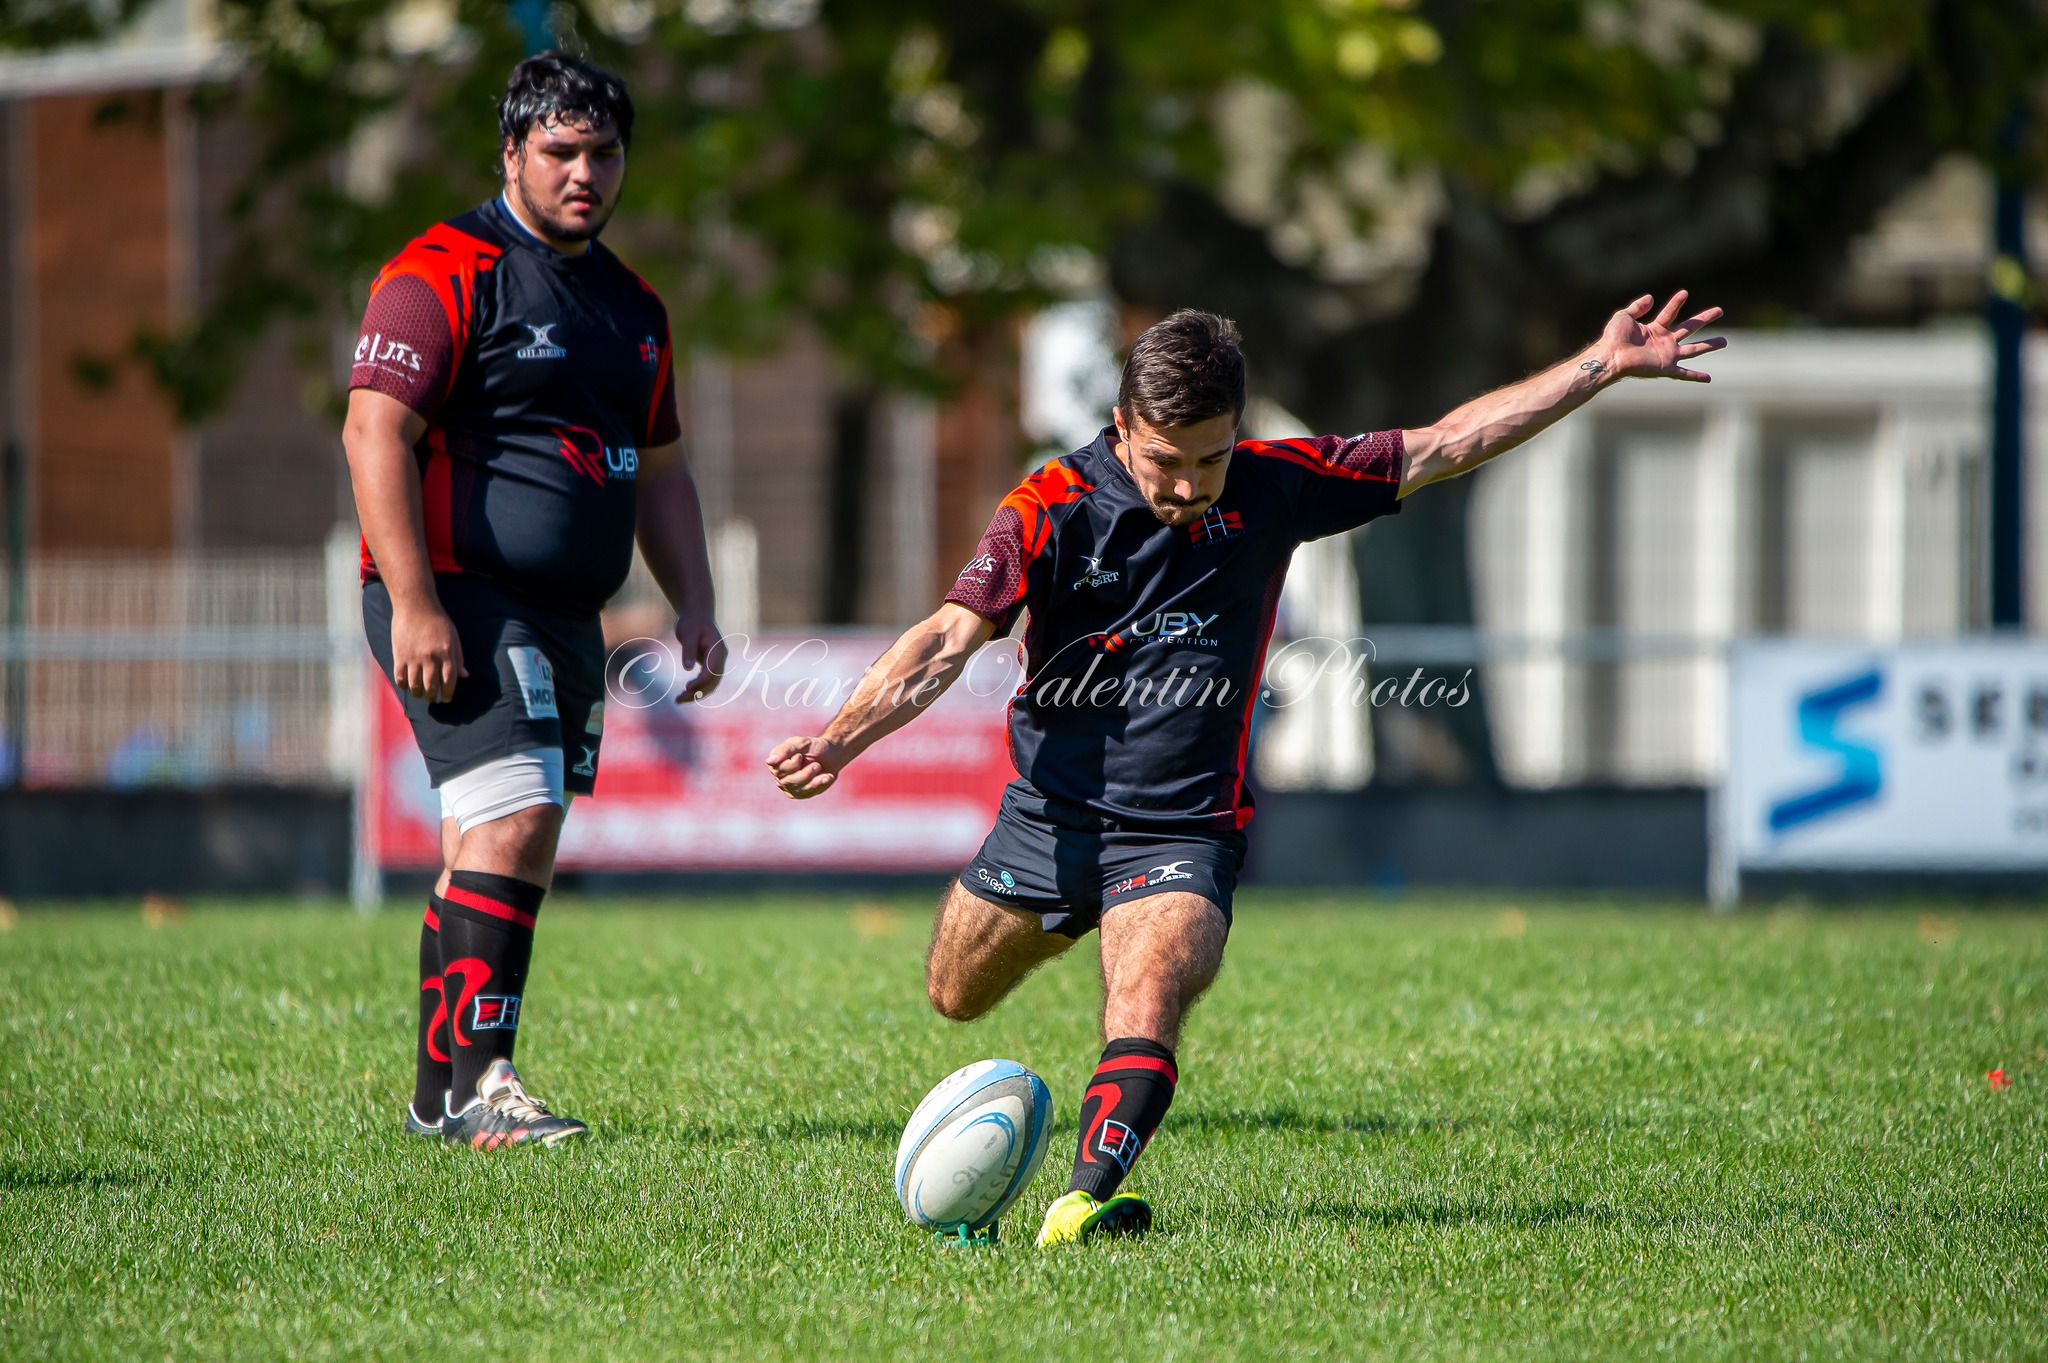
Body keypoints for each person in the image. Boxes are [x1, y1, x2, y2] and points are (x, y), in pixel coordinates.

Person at [767, 294, 1723, 1242]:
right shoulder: (1049, 505)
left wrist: (1597, 367)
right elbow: (947, 638)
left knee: (1146, 993)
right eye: (1164, 463)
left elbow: (1448, 441)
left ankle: (1086, 1199)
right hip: (1050, 817)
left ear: (1242, 432)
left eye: (1210, 460)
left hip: (1183, 829)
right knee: (954, 993)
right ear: (1120, 426)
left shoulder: (1278, 482)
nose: (1187, 487)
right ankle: (1073, 955)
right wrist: (842, 737)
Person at [344, 52, 723, 1150]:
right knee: (517, 820)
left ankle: (433, 1095)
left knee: (500, 839)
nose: (584, 172)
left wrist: (691, 597)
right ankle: (482, 1088)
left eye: (603, 153)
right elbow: (373, 433)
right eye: (559, 150)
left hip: (565, 617)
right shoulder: (439, 271)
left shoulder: (631, 305)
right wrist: (413, 602)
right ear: (510, 152)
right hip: (461, 596)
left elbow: (660, 469)